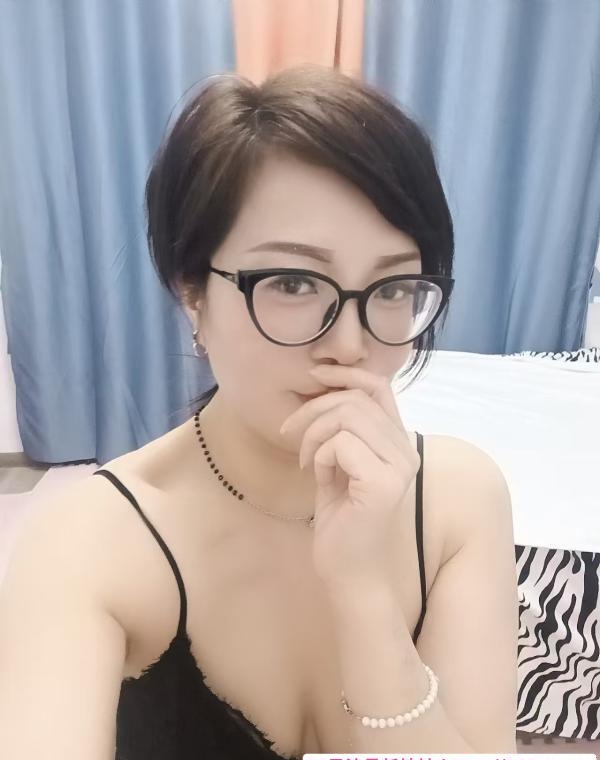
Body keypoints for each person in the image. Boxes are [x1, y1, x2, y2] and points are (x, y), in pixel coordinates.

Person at [0, 65, 519, 758]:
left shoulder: (459, 500)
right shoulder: (89, 542)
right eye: (294, 282)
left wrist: (363, 594)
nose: (350, 345)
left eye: (394, 287)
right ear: (191, 292)